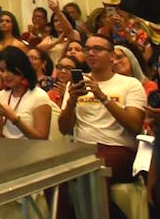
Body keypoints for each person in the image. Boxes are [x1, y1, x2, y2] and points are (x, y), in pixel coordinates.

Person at [58, 34, 146, 184]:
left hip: (117, 149)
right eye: (87, 49)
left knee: (93, 171)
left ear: (111, 56)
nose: (91, 53)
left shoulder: (130, 84)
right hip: (82, 148)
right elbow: (64, 129)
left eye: (98, 49)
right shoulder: (74, 85)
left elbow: (135, 125)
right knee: (51, 177)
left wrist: (103, 98)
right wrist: (71, 102)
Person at [0, 47, 53, 140]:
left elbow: (42, 138)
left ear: (22, 68)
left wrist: (14, 118)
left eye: (10, 70)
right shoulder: (1, 95)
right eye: (2, 71)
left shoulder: (39, 96)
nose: (5, 75)